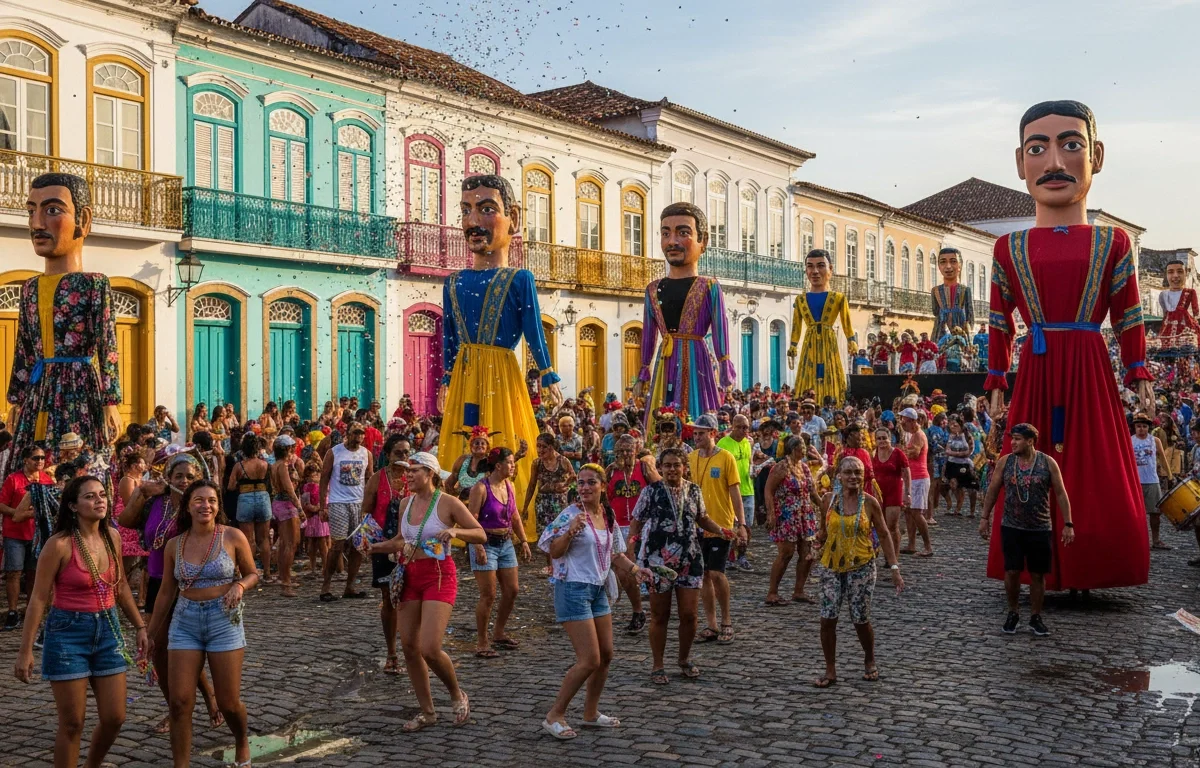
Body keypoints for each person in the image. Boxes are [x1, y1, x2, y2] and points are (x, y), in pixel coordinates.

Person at [985, 100, 1152, 591]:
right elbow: (999, 320)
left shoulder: (1113, 242)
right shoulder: (1007, 247)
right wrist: (997, 377)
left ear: (1096, 155)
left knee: (1093, 459)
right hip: (1037, 367)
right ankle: (1040, 567)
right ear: (1021, 163)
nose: (1054, 162)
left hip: (1087, 363)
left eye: (1071, 145)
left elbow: (1129, 314)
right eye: (1038, 148)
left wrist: (1138, 370)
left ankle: (1091, 565)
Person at [439, 175, 562, 519]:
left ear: (515, 219)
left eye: (486, 209)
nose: (473, 223)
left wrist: (549, 374)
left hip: (501, 374)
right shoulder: (453, 282)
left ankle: (505, 510)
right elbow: (449, 338)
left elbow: (534, 328)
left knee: (503, 436)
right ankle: (460, 509)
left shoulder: (519, 279)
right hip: (464, 376)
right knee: (465, 439)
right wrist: (446, 379)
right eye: (466, 211)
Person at [12, 476, 147, 768]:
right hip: (67, 634)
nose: (100, 501)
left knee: (115, 717)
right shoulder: (58, 545)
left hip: (109, 630)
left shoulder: (112, 536)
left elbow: (121, 586)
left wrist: (140, 626)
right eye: (90, 497)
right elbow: (37, 599)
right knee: (73, 723)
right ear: (73, 506)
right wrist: (25, 651)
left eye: (102, 495)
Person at [5, 174, 122, 478]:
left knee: (77, 469)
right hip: (38, 389)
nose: (37, 223)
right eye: (31, 211)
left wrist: (111, 402)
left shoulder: (94, 284)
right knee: (30, 468)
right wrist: (15, 400)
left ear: (82, 219)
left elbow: (107, 345)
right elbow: (23, 349)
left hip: (78, 387)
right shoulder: (29, 288)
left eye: (52, 210)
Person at [363, 451, 484, 732]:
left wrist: (456, 533)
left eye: (415, 470)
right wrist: (376, 547)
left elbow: (479, 533)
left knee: (429, 647)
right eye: (407, 470)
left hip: (439, 576)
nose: (408, 475)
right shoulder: (405, 503)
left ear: (430, 474)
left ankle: (456, 693)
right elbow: (400, 540)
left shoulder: (449, 503)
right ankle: (427, 712)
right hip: (409, 575)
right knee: (409, 647)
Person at [148, 480, 258, 767]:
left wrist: (240, 586)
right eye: (198, 500)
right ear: (187, 505)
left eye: (211, 500)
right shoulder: (174, 544)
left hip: (224, 620)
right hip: (185, 621)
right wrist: (150, 635)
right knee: (180, 701)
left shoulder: (233, 537)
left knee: (228, 703)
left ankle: (242, 740)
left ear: (218, 506)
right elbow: (166, 592)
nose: (205, 506)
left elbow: (252, 573)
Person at [538, 464, 648, 739]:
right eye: (580, 482)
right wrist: (570, 531)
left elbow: (614, 553)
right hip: (574, 589)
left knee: (606, 655)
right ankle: (555, 715)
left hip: (598, 589)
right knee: (589, 659)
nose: (584, 487)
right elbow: (553, 550)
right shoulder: (570, 515)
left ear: (602, 486)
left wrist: (636, 570)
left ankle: (590, 712)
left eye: (590, 482)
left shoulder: (607, 514)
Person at [118, 452, 222, 734]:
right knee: (159, 649)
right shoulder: (155, 502)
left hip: (190, 583)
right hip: (157, 583)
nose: (184, 481)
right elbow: (125, 521)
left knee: (188, 647)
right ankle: (174, 710)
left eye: (190, 477)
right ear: (168, 478)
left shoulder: (198, 506)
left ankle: (211, 697)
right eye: (179, 476)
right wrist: (141, 491)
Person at [627, 448, 729, 684]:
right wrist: (632, 546)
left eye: (676, 465)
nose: (672, 469)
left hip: (689, 558)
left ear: (684, 467)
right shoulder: (650, 492)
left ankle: (684, 658)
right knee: (660, 614)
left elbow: (702, 518)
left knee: (689, 614)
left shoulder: (693, 491)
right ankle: (658, 665)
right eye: (667, 465)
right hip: (658, 561)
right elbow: (637, 521)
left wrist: (721, 530)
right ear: (660, 467)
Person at [637, 202, 736, 429]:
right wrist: (644, 370)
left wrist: (724, 365)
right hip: (665, 362)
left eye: (683, 233)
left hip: (697, 362)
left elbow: (721, 329)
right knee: (661, 421)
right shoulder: (653, 289)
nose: (672, 241)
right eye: (666, 233)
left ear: (703, 241)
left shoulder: (709, 287)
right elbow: (648, 337)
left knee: (697, 420)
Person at [813, 457, 905, 688]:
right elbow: (822, 532)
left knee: (860, 619)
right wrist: (813, 548)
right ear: (839, 476)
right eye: (848, 472)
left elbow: (884, 534)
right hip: (831, 567)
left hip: (862, 567)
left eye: (858, 472)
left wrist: (894, 567)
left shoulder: (870, 503)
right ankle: (830, 669)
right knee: (827, 619)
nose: (853, 477)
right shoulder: (828, 500)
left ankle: (869, 658)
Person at [978, 423, 1073, 636]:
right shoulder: (1005, 463)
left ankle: (1035, 616)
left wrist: (1068, 523)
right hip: (1011, 526)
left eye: (1018, 439)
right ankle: (1013, 613)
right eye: (1012, 438)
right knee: (1011, 571)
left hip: (1039, 527)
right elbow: (992, 490)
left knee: (1038, 574)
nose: (1013, 442)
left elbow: (1060, 493)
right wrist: (984, 518)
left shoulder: (1048, 463)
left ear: (1030, 441)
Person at [467, 447, 532, 657]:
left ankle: (499, 632)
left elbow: (514, 516)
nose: (513, 466)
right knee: (489, 594)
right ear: (498, 466)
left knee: (512, 590)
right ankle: (482, 641)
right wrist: (477, 546)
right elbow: (471, 519)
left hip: (505, 543)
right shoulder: (480, 488)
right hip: (485, 542)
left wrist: (523, 540)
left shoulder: (509, 485)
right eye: (511, 463)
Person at [688, 414, 747, 644]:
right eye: (695, 433)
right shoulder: (692, 457)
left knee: (717, 572)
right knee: (703, 575)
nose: (697, 437)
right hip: (697, 525)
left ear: (713, 433)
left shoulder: (726, 458)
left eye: (701, 433)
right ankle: (711, 623)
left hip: (721, 524)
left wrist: (741, 524)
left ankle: (726, 621)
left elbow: (735, 493)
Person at [359, 436, 410, 673]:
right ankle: (392, 653)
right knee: (389, 599)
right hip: (384, 546)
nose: (404, 457)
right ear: (388, 455)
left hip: (411, 547)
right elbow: (366, 512)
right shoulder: (377, 479)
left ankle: (412, 649)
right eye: (398, 452)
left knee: (411, 599)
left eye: (407, 452)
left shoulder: (415, 478)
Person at [788, 249, 858, 404]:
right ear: (806, 270)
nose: (815, 271)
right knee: (808, 374)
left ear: (830, 269)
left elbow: (847, 322)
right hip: (810, 343)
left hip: (829, 342)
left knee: (830, 373)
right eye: (810, 266)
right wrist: (793, 345)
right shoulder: (800, 300)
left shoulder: (839, 298)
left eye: (820, 266)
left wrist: (851, 340)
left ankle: (834, 402)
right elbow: (796, 327)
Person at [606, 434, 659, 634]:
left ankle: (653, 609)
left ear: (636, 451)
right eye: (621, 451)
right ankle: (638, 610)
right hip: (618, 526)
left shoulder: (644, 468)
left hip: (643, 526)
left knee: (644, 566)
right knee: (623, 570)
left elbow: (659, 487)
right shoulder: (611, 471)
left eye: (629, 450)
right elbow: (604, 497)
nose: (625, 455)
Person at [764, 436, 822, 605]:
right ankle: (772, 592)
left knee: (807, 554)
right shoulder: (781, 467)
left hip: (804, 515)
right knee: (786, 553)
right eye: (801, 447)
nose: (804, 450)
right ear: (793, 449)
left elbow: (812, 492)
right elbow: (769, 490)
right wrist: (771, 514)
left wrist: (825, 507)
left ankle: (799, 591)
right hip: (786, 515)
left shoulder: (803, 467)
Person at [319, 423, 373, 601]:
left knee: (357, 546)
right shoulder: (334, 452)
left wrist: (370, 505)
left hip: (358, 504)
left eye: (361, 433)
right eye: (355, 433)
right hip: (338, 502)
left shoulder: (366, 454)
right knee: (337, 545)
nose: (358, 437)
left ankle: (350, 586)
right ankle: (326, 586)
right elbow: (324, 479)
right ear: (347, 434)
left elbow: (369, 479)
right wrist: (323, 506)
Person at [1, 445, 53, 630]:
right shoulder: (13, 480)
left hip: (38, 535)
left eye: (41, 458)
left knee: (34, 573)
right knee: (13, 572)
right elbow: (1, 504)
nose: (39, 461)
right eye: (35, 458)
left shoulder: (47, 481)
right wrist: (19, 512)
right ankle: (13, 611)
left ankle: (32, 611)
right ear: (26, 460)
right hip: (15, 532)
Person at [522, 433, 575, 572]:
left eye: (543, 447)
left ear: (551, 447)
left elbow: (574, 477)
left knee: (560, 533)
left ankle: (561, 565)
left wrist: (565, 485)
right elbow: (532, 485)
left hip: (559, 503)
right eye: (538, 446)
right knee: (546, 535)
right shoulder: (537, 463)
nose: (540, 450)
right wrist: (525, 507)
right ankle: (551, 566)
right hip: (542, 503)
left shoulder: (563, 461)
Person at [227, 433, 272, 584]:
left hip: (245, 498)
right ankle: (267, 572)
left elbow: (231, 486)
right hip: (262, 497)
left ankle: (250, 573)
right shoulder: (265, 464)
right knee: (264, 538)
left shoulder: (239, 466)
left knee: (248, 540)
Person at [718, 414, 756, 573]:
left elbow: (749, 462)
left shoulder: (748, 443)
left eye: (745, 427)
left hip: (748, 489)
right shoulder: (723, 444)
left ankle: (742, 556)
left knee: (746, 526)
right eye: (739, 427)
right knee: (730, 526)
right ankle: (728, 557)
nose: (742, 430)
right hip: (730, 491)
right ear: (732, 426)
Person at [1131, 415, 1172, 550]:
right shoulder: (1130, 441)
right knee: (1135, 514)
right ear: (1135, 427)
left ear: (1148, 428)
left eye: (1144, 426)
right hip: (1135, 482)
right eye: (1138, 426)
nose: (1141, 429)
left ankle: (1156, 540)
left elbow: (1163, 459)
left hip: (1152, 481)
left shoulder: (1155, 441)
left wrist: (1169, 475)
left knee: (1155, 513)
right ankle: (1137, 540)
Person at [269, 437, 303, 596]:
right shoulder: (282, 466)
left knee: (285, 543)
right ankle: (286, 581)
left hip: (279, 503)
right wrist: (299, 507)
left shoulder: (275, 465)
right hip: (286, 505)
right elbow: (289, 489)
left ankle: (285, 577)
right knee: (291, 543)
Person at [872, 427, 911, 558]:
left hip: (894, 491)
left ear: (889, 439)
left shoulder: (898, 453)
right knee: (881, 527)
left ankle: (895, 556)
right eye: (879, 438)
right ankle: (887, 554)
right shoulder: (873, 453)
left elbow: (906, 473)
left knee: (892, 526)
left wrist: (908, 493)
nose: (882, 441)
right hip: (878, 493)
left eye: (884, 438)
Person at [899, 409, 933, 556]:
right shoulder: (913, 435)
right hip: (912, 478)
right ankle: (911, 544)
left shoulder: (918, 435)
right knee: (908, 511)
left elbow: (915, 453)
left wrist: (900, 452)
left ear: (912, 421)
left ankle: (928, 546)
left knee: (916, 512)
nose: (902, 423)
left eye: (904, 421)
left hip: (919, 478)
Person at [1155, 258, 1200, 360]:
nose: (1175, 276)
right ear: (1166, 275)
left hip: (1184, 326)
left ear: (1185, 273)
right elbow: (1165, 314)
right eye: (1171, 272)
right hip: (1167, 328)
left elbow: (1196, 313)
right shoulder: (1163, 295)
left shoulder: (1190, 292)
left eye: (1180, 272)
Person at [931, 247, 975, 343]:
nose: (948, 266)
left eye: (953, 261)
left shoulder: (965, 290)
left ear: (960, 265)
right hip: (941, 330)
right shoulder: (935, 290)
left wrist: (969, 330)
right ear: (938, 266)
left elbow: (970, 313)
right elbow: (935, 311)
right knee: (939, 351)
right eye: (943, 262)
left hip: (960, 326)